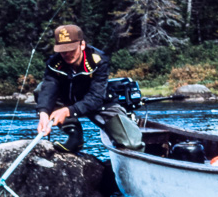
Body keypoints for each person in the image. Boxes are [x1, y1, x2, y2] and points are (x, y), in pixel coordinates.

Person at [36, 24, 144, 153]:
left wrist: (68, 111)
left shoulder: (98, 61)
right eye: (63, 50)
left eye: (71, 49)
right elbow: (48, 89)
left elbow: (96, 97)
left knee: (132, 144)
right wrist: (43, 113)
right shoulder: (54, 63)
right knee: (40, 89)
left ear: (82, 45)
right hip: (68, 100)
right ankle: (74, 136)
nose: (67, 54)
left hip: (100, 104)